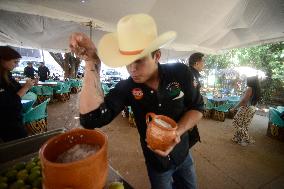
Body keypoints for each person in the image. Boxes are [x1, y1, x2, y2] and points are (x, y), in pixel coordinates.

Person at [70, 14, 204, 189]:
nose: (132, 69)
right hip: (156, 163)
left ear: (157, 55)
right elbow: (91, 119)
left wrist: (177, 132)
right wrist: (91, 62)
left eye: (139, 61)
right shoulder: (127, 87)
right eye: (127, 62)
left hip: (183, 155)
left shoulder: (180, 73)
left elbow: (197, 107)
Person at [0, 46, 35, 142]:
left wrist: (28, 85)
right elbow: (8, 102)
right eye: (15, 62)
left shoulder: (7, 74)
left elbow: (17, 90)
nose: (16, 65)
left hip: (15, 117)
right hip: (6, 121)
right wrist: (25, 87)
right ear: (2, 59)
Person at [231, 76, 261, 146]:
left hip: (246, 108)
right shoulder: (257, 90)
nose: (247, 82)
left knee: (236, 122)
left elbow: (244, 101)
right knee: (244, 125)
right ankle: (237, 138)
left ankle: (246, 139)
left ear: (251, 82)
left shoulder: (250, 89)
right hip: (252, 108)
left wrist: (234, 108)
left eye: (248, 80)